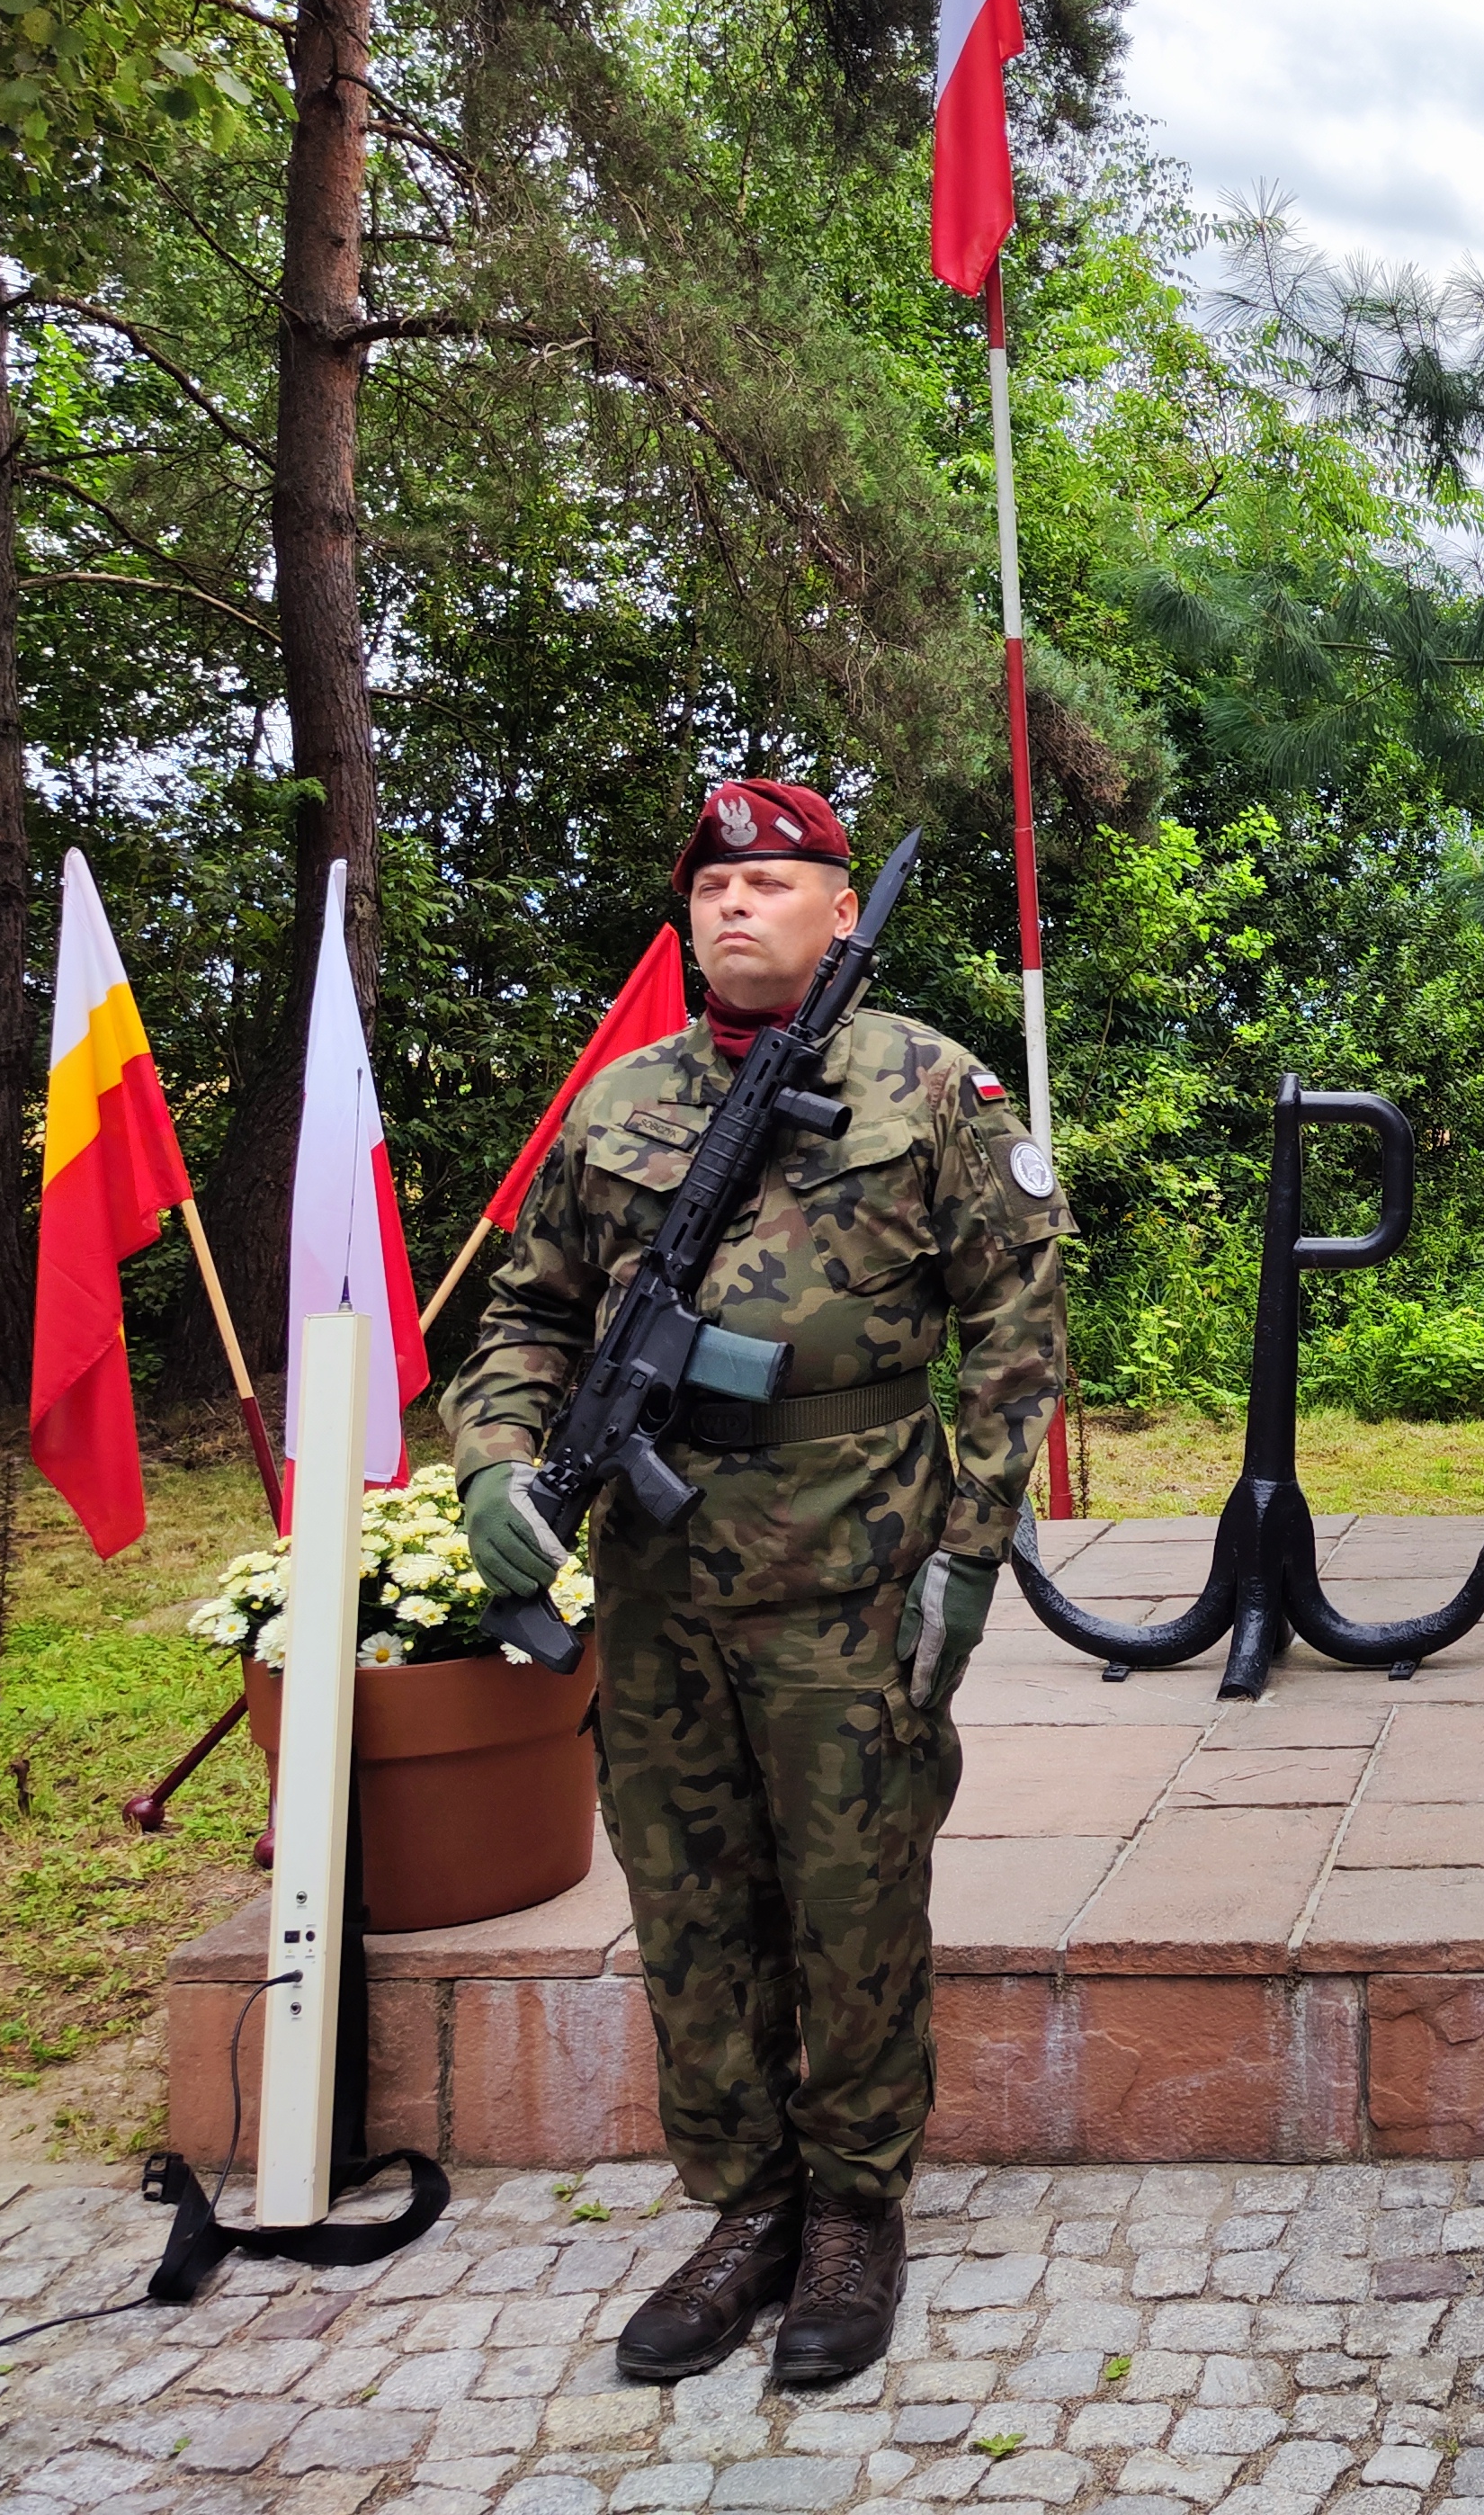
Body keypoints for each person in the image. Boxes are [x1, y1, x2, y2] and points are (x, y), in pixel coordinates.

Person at [447, 779, 1069, 2387]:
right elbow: (529, 1316)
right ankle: (745, 2210)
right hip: (661, 1586)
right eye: (715, 885)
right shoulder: (616, 1109)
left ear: (841, 913)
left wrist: (975, 1554)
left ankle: (858, 2212)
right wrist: (501, 1462)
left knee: (855, 1903)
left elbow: (1017, 1341)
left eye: (778, 883)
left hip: (852, 1566)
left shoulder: (935, 1088)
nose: (738, 906)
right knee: (690, 1908)